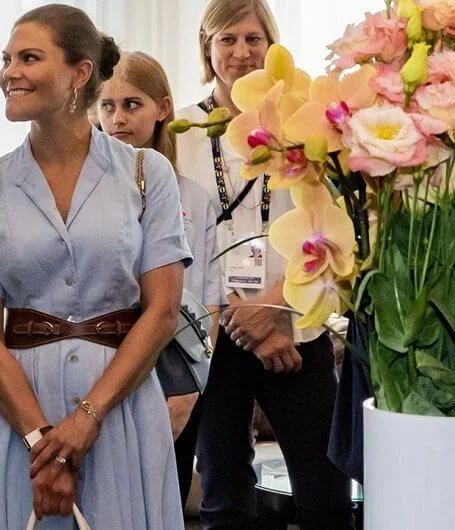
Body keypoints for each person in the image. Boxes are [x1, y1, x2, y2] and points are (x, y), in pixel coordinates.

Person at [0, 5, 191, 529]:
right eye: (6, 58)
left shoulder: (149, 174)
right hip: (14, 421)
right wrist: (44, 445)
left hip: (120, 410)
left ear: (80, 74)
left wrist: (86, 420)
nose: (9, 71)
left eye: (29, 57)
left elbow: (163, 311)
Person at [176, 0, 353, 528]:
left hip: (295, 334)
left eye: (254, 39)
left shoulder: (308, 127)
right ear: (208, 49)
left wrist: (274, 306)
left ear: (272, 46)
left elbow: (334, 231)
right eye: (227, 40)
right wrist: (243, 319)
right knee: (223, 500)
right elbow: (178, 240)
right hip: (214, 339)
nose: (241, 52)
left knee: (326, 497)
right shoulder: (181, 133)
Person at [96, 50, 223, 509]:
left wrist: (189, 389)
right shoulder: (82, 191)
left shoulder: (191, 195)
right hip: (101, 367)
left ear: (162, 110)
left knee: (160, 505)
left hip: (174, 376)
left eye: (132, 105)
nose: (117, 119)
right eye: (107, 106)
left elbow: (208, 301)